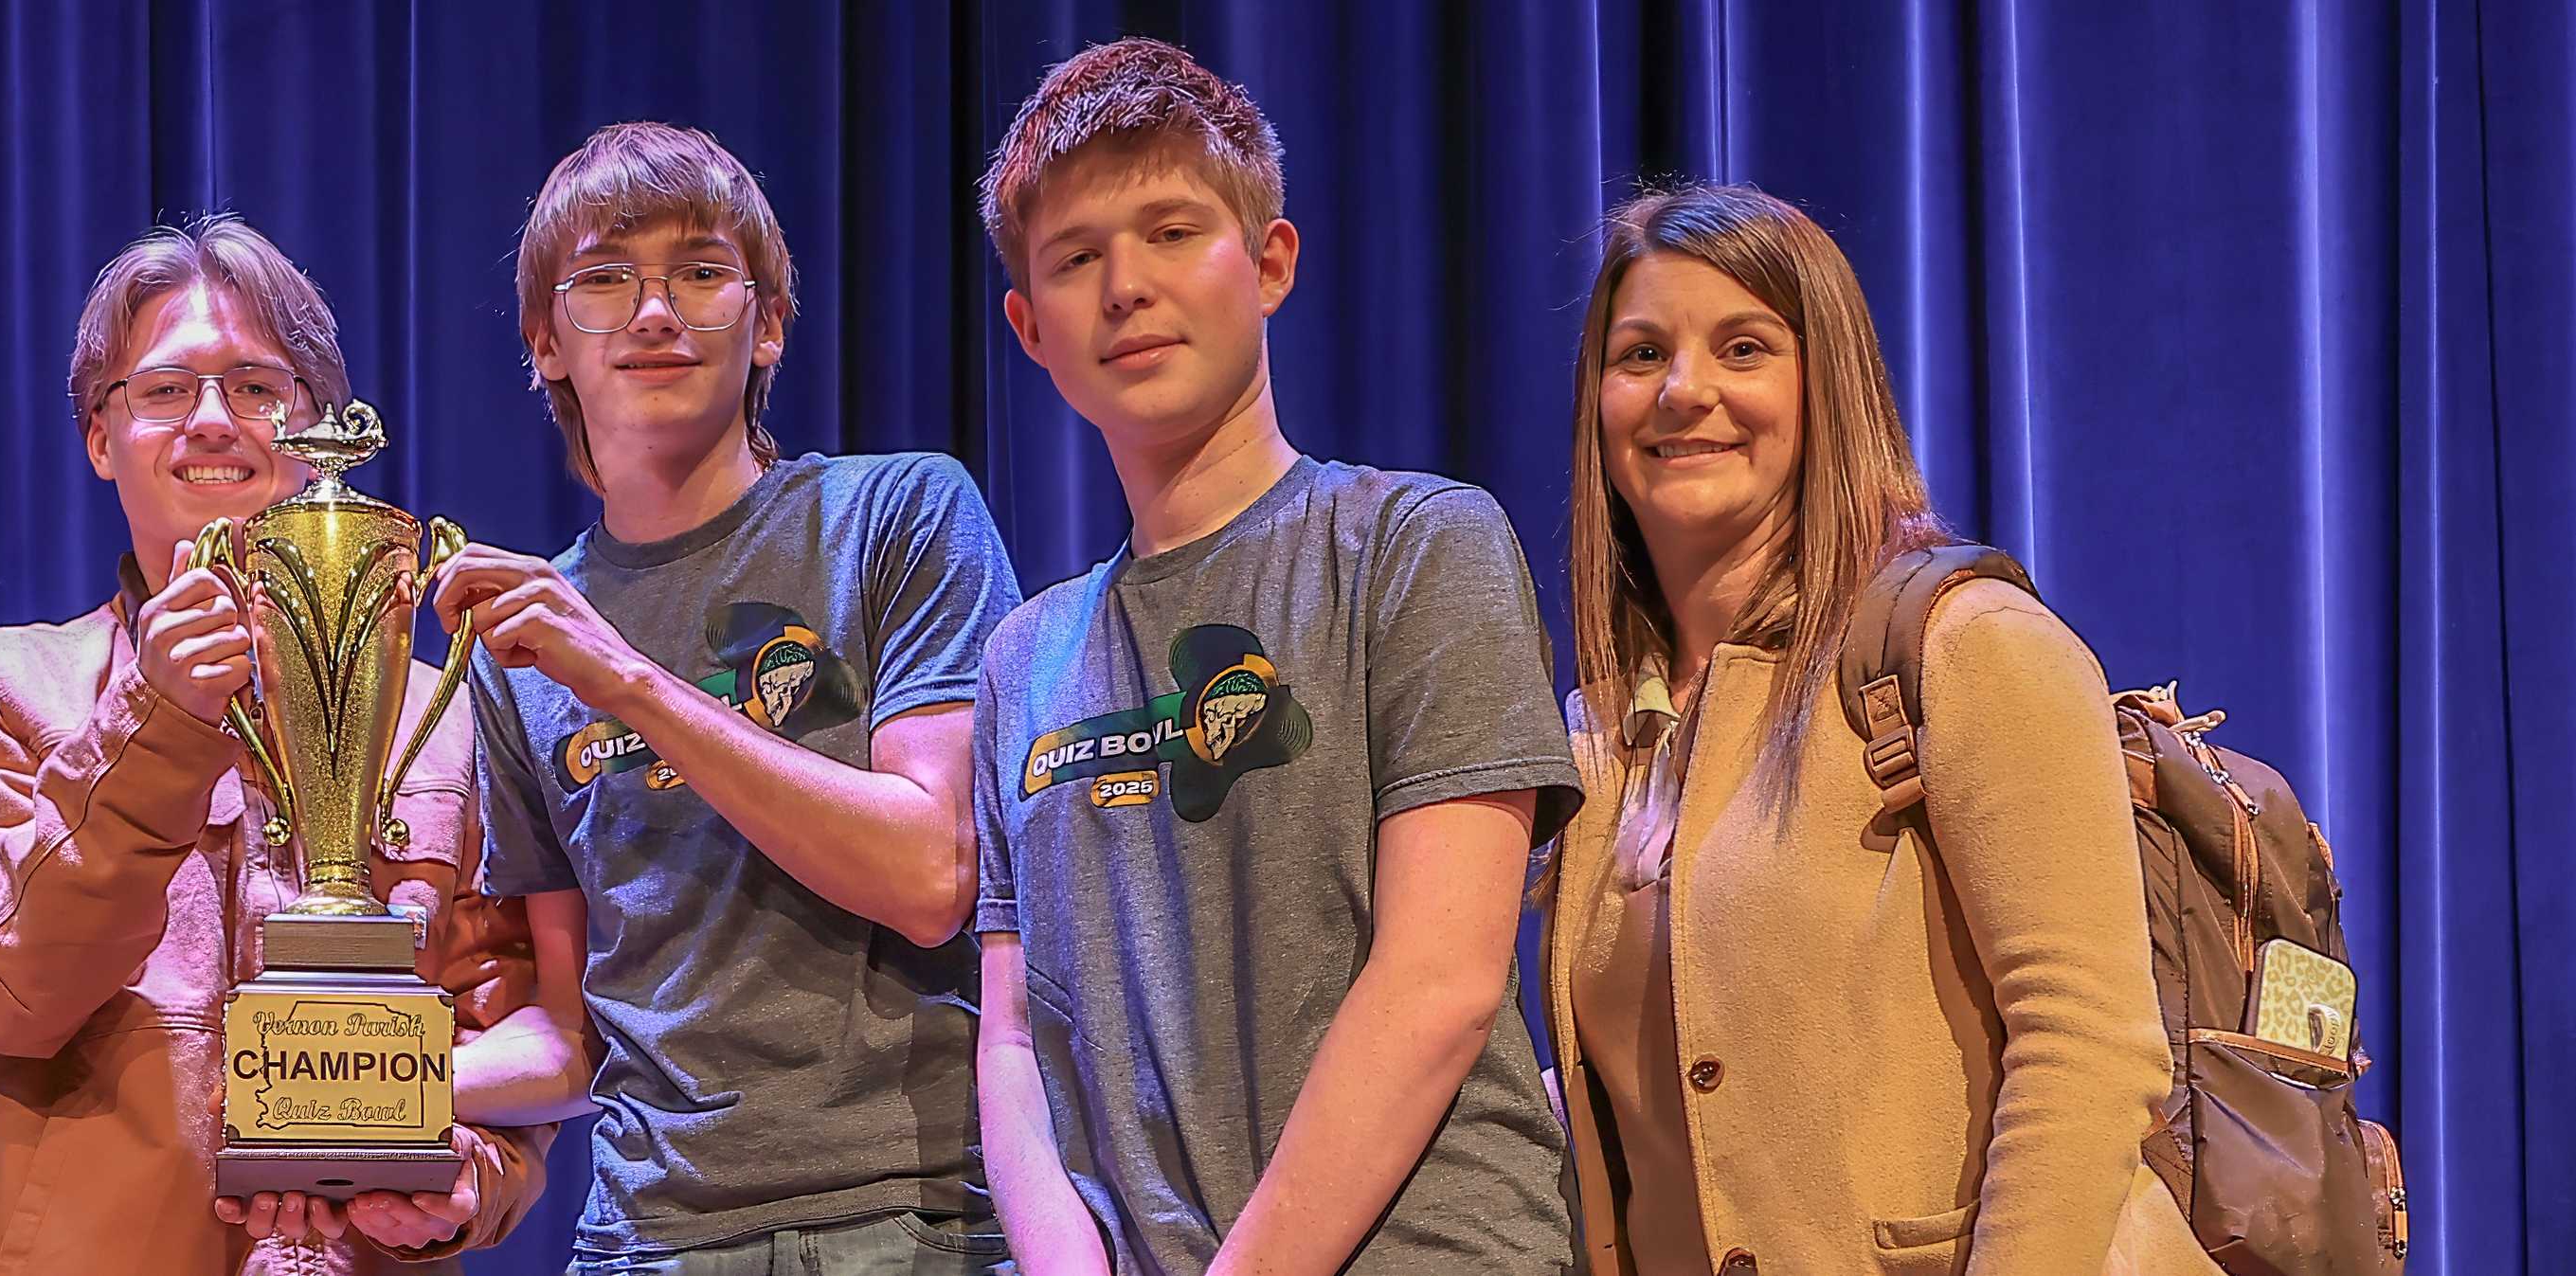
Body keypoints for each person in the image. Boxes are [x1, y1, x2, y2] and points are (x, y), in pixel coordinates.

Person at [963, 39, 1583, 1275]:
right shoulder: (1022, 656)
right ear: (1030, 327)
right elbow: (1013, 1040)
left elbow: (1441, 980)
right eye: (1077, 258)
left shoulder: (1415, 545)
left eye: (1173, 231)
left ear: (1270, 262)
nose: (1125, 286)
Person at [1539, 182, 2213, 1275]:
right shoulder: (1605, 740)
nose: (1684, 390)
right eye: (1641, 353)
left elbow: (2089, 1048)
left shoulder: (1968, 645)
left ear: (1826, 386)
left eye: (1745, 347)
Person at [0, 214, 553, 1273]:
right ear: (101, 437)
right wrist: (158, 724)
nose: (212, 421)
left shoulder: (446, 713)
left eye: (256, 388)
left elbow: (506, 1009)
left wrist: (472, 1175)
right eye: (163, 389)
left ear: (323, 432)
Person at [443, 120, 1023, 1274]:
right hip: (642, 1238)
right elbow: (570, 1029)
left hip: (903, 1221)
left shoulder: (897, 516)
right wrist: (318, 1083)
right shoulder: (526, 641)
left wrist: (624, 680)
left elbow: (930, 876)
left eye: (701, 273)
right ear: (544, 341)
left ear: (768, 325)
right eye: (604, 279)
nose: (654, 313)